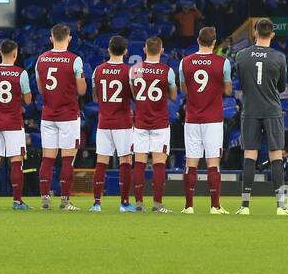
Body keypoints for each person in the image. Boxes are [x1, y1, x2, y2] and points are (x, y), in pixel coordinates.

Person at [233, 18, 288, 215]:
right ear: (272, 34)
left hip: (250, 110)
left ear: (255, 33)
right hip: (272, 110)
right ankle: (281, 207)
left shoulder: (241, 55)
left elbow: (240, 82)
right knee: (276, 154)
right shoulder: (279, 57)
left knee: (250, 154)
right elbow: (282, 87)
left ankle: (245, 206)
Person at [178, 26, 231, 214]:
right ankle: (215, 206)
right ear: (214, 43)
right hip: (213, 119)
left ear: (198, 41)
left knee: (191, 162)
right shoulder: (223, 63)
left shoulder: (185, 62)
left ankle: (188, 206)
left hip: (192, 118)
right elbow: (228, 91)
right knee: (213, 163)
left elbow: (184, 90)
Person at [34, 24, 85, 211]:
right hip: (69, 116)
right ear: (69, 38)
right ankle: (65, 201)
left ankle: (45, 198)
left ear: (51, 38)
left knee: (47, 159)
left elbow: (40, 89)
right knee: (66, 159)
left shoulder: (41, 59)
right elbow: (81, 90)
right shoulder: (75, 60)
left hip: (48, 115)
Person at [0, 39, 32, 210]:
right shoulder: (21, 73)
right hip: (14, 124)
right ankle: (17, 201)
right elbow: (28, 100)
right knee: (16, 162)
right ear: (15, 54)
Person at [130, 36, 177, 213]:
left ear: (144, 50)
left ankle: (139, 203)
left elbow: (133, 93)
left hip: (141, 122)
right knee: (159, 163)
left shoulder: (135, 70)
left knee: (139, 163)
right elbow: (173, 96)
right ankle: (157, 204)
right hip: (160, 123)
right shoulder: (167, 71)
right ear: (162, 50)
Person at [91, 36, 137, 212]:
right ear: (125, 51)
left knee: (101, 161)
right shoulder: (129, 71)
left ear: (109, 50)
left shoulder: (98, 70)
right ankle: (124, 203)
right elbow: (133, 95)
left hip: (104, 121)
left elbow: (95, 97)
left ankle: (96, 203)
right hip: (123, 122)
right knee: (125, 160)